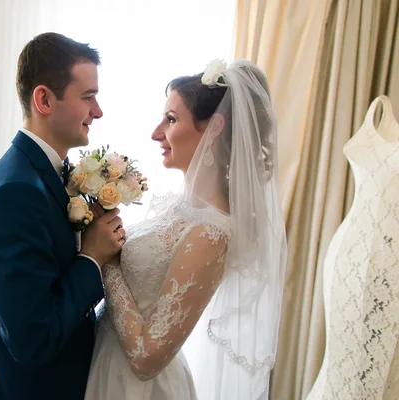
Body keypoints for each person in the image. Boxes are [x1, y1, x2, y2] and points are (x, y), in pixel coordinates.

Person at [84, 59, 287, 400]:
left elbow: (147, 358)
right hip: (103, 364)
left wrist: (106, 262)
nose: (156, 133)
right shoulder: (175, 208)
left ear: (214, 126)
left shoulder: (213, 233)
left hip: (136, 388)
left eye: (171, 119)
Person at [0, 32, 125, 400]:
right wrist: (92, 257)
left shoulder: (47, 174)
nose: (98, 111)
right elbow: (32, 338)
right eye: (88, 97)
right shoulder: (15, 194)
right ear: (44, 99)